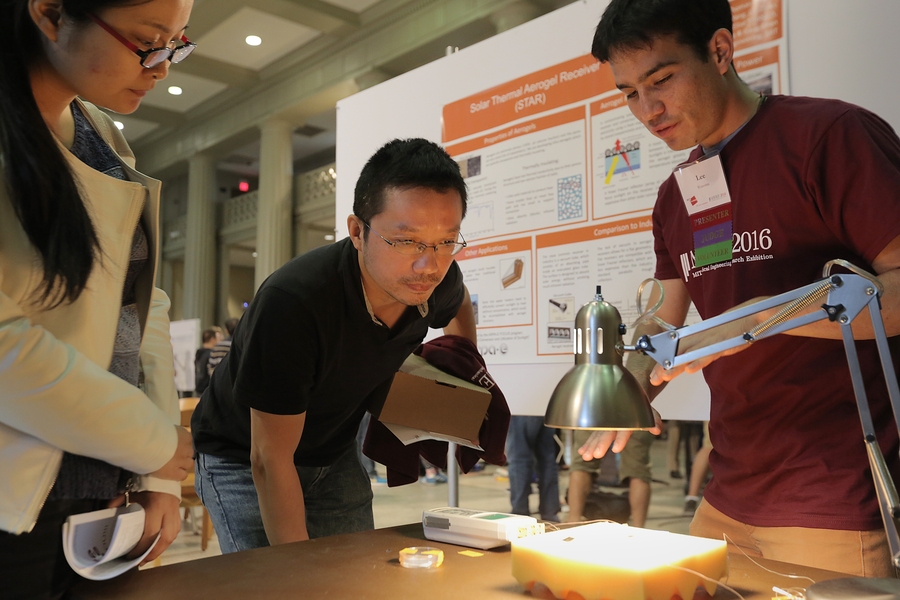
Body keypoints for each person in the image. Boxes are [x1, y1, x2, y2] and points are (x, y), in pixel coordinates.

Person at [579, 0, 900, 576]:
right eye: (629, 93)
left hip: (831, 502)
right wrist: (628, 389)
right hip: (727, 497)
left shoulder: (828, 137)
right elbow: (662, 318)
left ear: (721, 51)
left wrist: (761, 317)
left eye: (662, 80)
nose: (648, 110)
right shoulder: (677, 195)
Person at [191, 138, 477, 553]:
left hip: (333, 450)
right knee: (279, 584)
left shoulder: (437, 279)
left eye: (446, 241)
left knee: (352, 578)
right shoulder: (295, 303)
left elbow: (457, 296)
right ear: (358, 231)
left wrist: (465, 357)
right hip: (242, 456)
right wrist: (299, 570)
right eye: (407, 241)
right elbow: (269, 460)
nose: (428, 264)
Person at [0, 0, 196, 596]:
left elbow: (142, 307)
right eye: (147, 41)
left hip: (98, 489)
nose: (162, 66)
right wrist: (154, 443)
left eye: (177, 43)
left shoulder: (102, 137)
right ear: (52, 13)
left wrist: (155, 474)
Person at [567, 429, 653, 527]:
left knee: (581, 465)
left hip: (594, 415)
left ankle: (572, 522)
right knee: (638, 471)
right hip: (634, 416)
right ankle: (639, 529)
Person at [505, 415, 560, 522]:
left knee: (519, 460)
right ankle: (550, 515)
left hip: (521, 407)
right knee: (547, 461)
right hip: (545, 407)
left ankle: (520, 516)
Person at [194, 326, 222, 396]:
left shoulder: (198, 353)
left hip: (199, 387)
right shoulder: (211, 354)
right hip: (208, 389)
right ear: (212, 339)